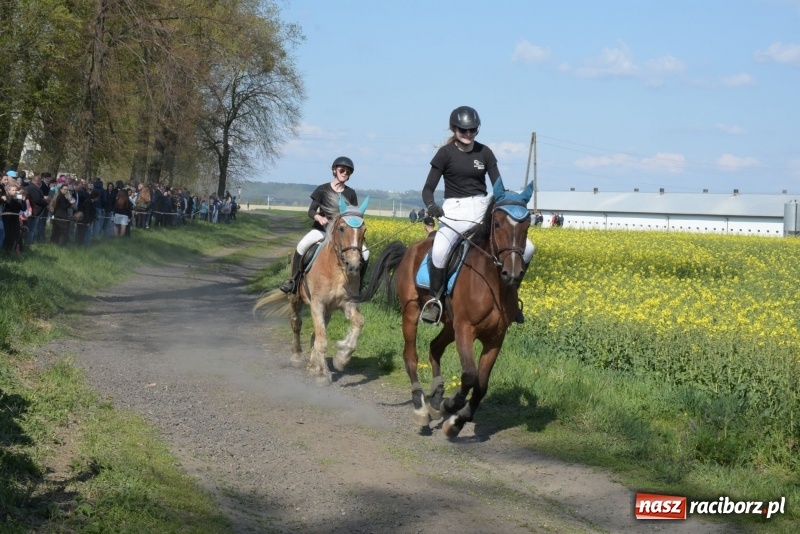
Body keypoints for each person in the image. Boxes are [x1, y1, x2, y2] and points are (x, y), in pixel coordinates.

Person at [420, 106, 534, 324]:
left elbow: (498, 188)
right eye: (463, 130)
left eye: (472, 130)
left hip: (482, 209)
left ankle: (512, 295)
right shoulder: (445, 154)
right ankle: (435, 301)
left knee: (528, 249)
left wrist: (510, 203)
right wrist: (431, 204)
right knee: (440, 249)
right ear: (454, 129)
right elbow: (427, 189)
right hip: (454, 211)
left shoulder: (485, 153)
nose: (468, 134)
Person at [279, 156, 370, 294]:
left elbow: (353, 215)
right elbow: (311, 211)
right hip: (322, 231)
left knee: (366, 253)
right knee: (302, 246)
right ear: (335, 170)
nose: (345, 173)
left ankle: (359, 285)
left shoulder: (351, 193)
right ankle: (294, 281)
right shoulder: (322, 189)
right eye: (342, 170)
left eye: (348, 172)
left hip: (342, 235)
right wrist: (319, 217)